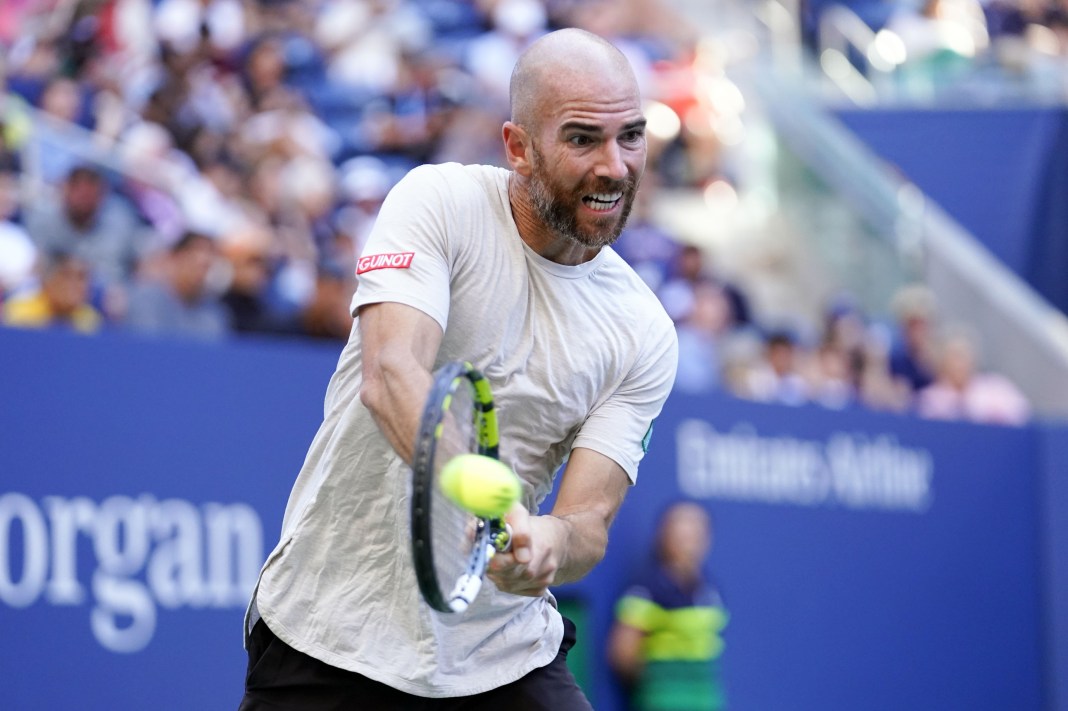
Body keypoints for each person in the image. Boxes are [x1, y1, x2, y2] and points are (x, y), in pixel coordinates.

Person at [238, 28, 678, 710]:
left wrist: (547, 543)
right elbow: (391, 374)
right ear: (518, 148)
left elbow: (589, 522)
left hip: (502, 657)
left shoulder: (646, 332)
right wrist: (483, 490)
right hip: (328, 635)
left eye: (631, 136)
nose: (615, 167)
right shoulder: (436, 201)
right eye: (583, 139)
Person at [607, 500, 728, 711]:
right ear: (664, 535)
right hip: (661, 700)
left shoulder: (710, 590)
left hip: (706, 701)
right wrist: (660, 682)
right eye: (681, 535)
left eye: (695, 534)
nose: (689, 542)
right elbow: (623, 653)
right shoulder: (646, 588)